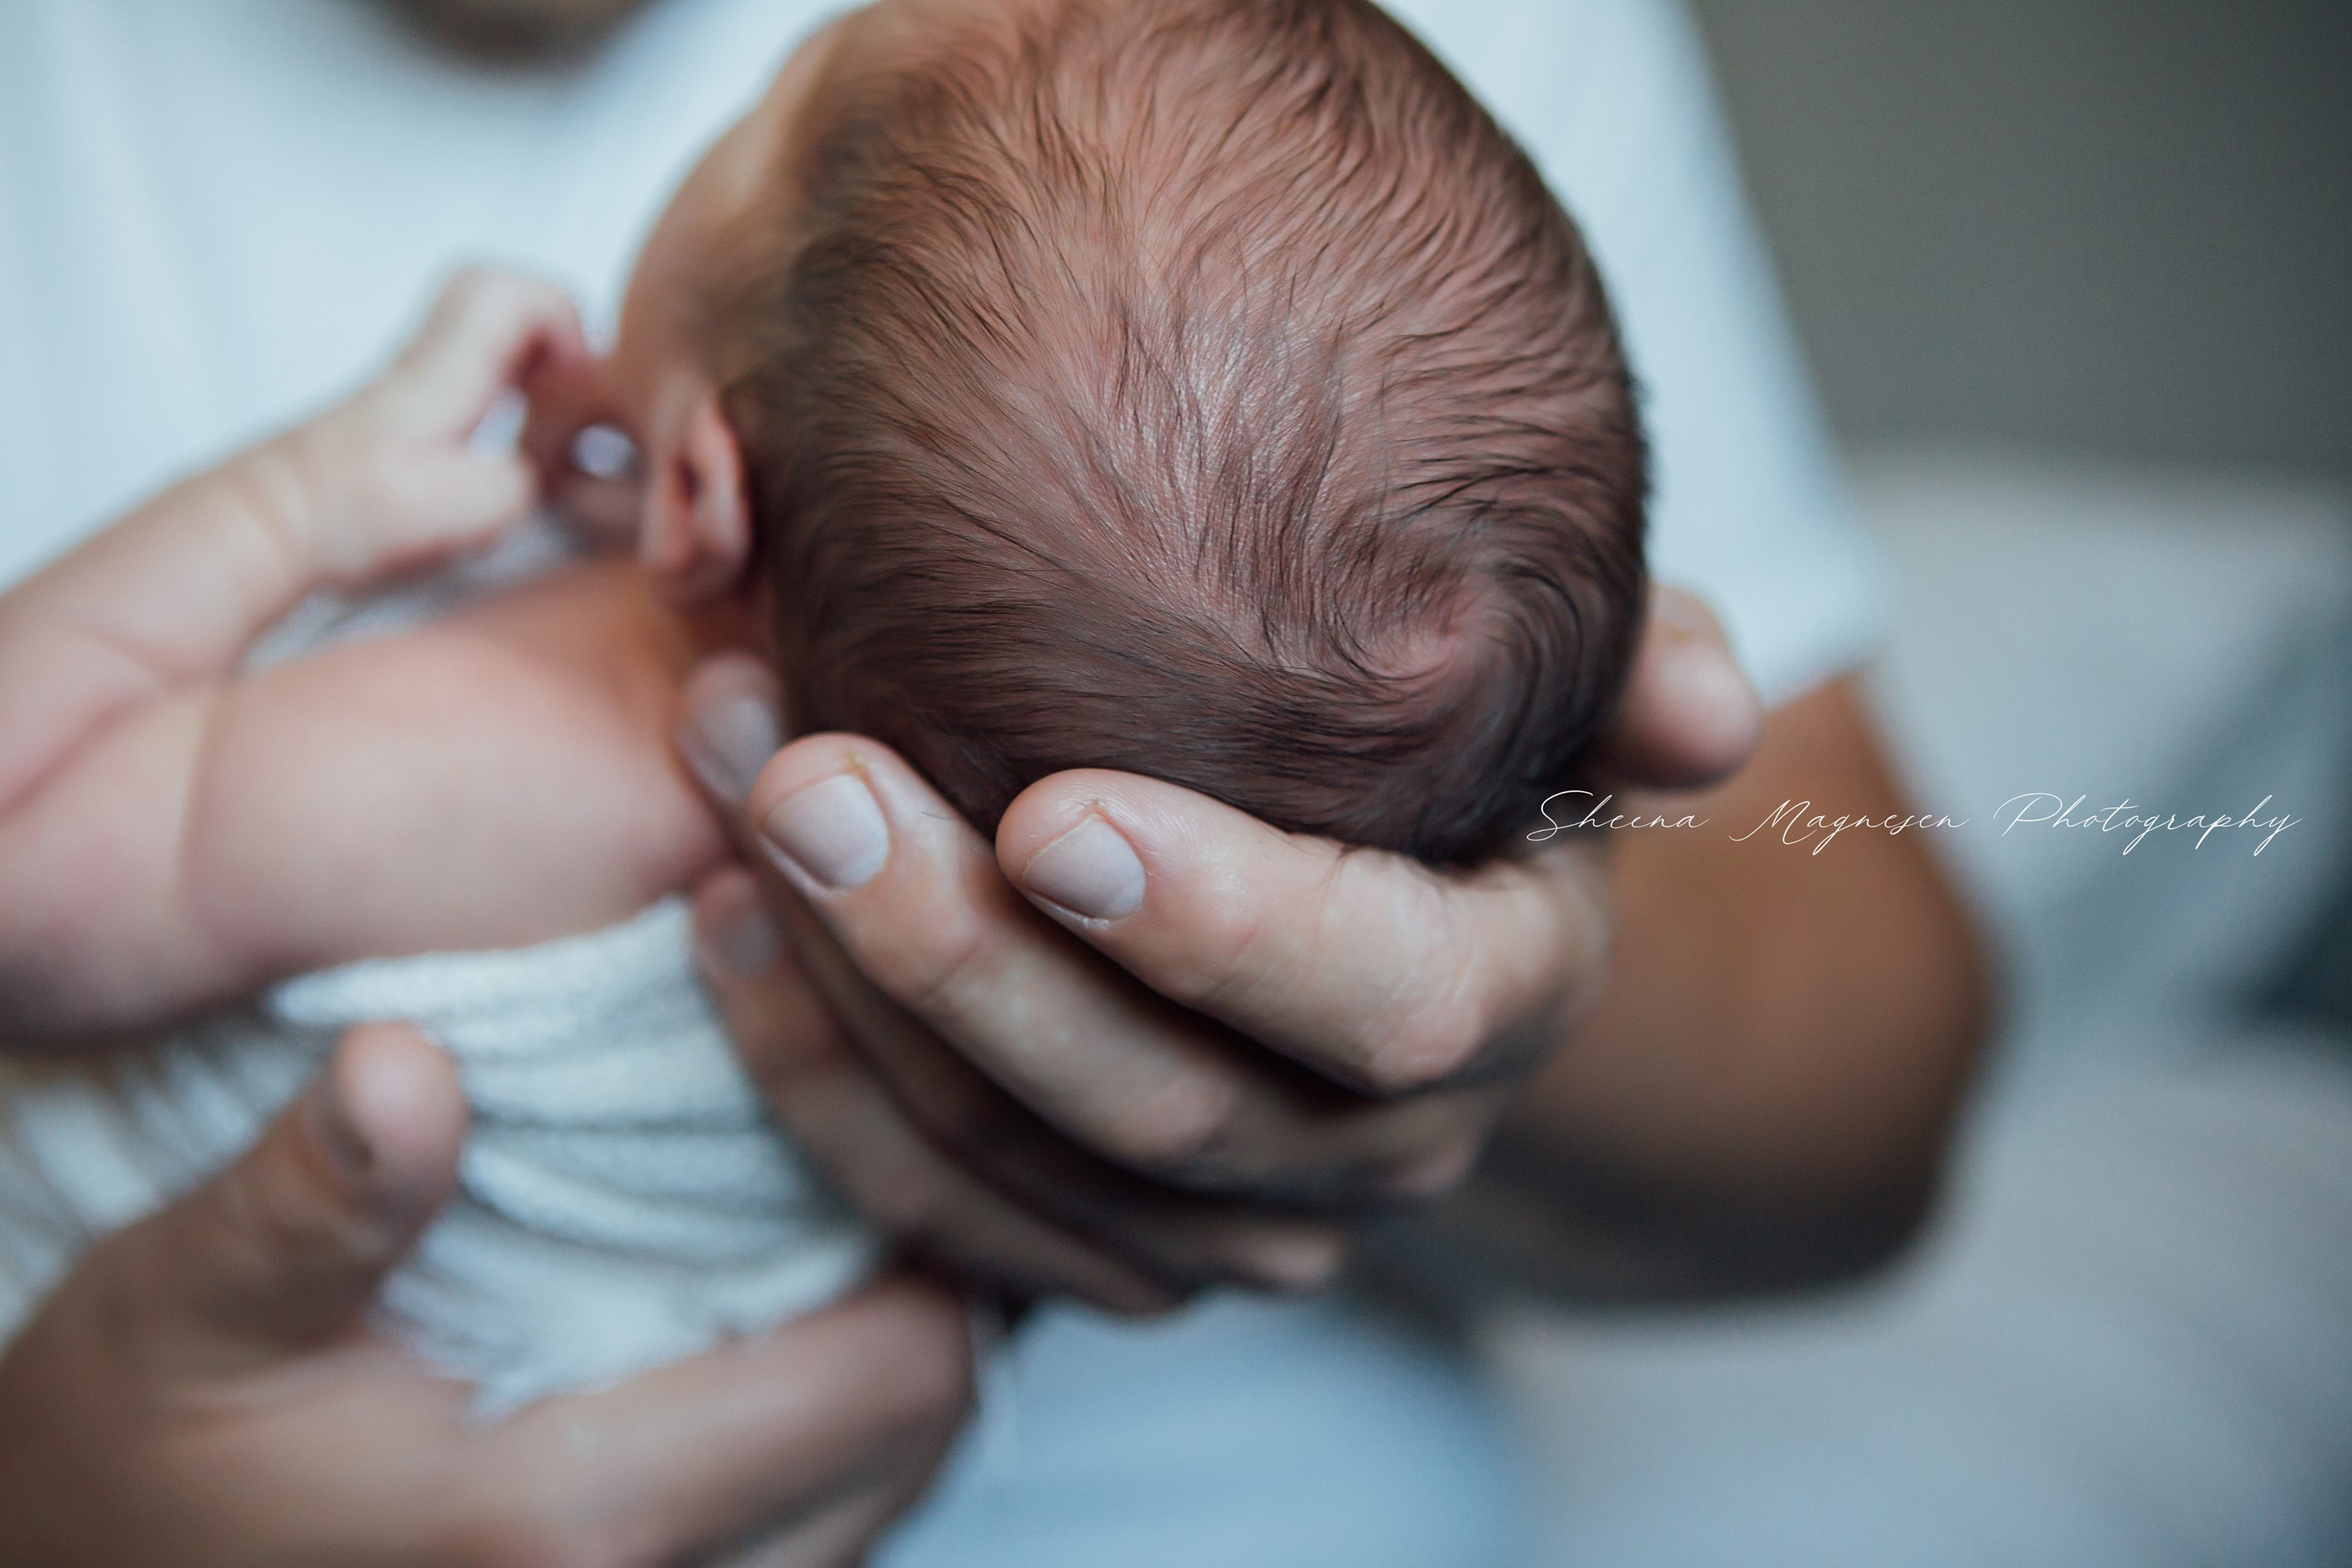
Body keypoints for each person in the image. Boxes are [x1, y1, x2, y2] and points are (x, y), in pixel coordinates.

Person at [0, 0, 1986, 1563]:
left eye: (763, 104)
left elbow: (33, 884)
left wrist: (283, 507)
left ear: (694, 498)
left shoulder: (477, 748)